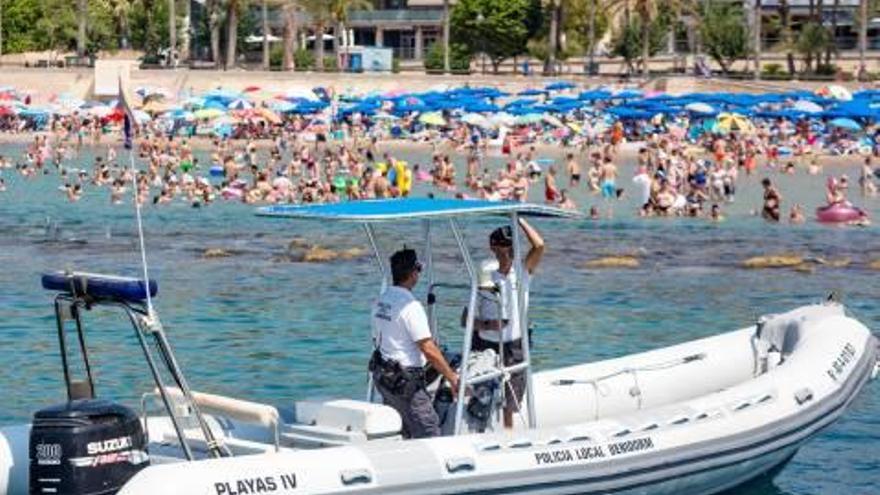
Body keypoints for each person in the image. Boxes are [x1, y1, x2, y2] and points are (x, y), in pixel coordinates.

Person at [370, 248, 459, 439]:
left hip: (384, 377)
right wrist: (452, 377)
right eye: (418, 269)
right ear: (413, 273)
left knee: (403, 427)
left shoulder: (380, 300)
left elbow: (377, 337)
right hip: (406, 384)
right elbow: (428, 349)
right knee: (429, 430)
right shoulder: (411, 306)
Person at [471, 219, 544, 429]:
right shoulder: (485, 277)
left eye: (511, 245)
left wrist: (519, 219)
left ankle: (508, 435)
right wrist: (487, 325)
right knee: (482, 397)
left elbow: (539, 245)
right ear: (493, 247)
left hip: (514, 346)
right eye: (504, 245)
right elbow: (465, 320)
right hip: (485, 346)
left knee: (510, 403)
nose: (509, 250)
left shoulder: (522, 272)